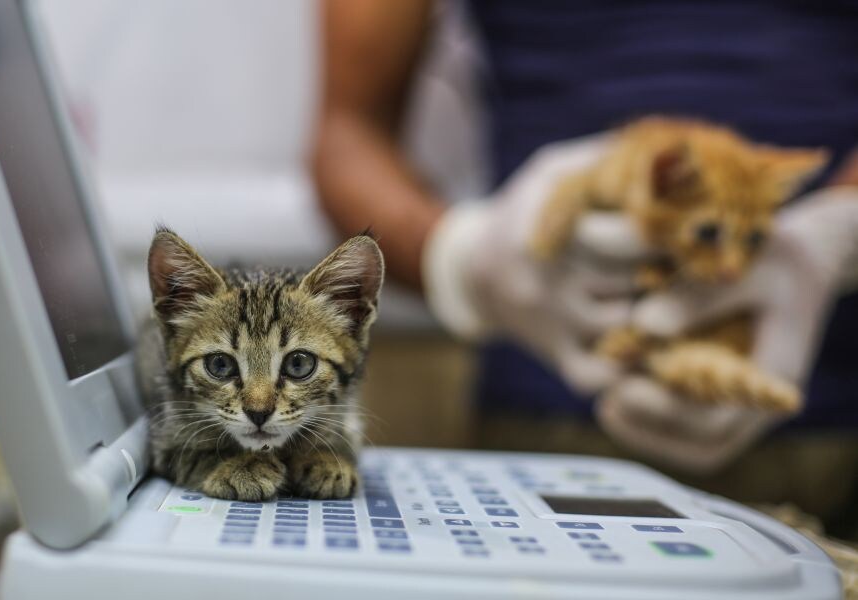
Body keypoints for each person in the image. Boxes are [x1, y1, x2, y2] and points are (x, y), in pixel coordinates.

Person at [311, 0, 858, 533]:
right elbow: (347, 131)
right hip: (543, 432)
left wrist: (836, 237)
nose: (731, 270)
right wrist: (462, 255)